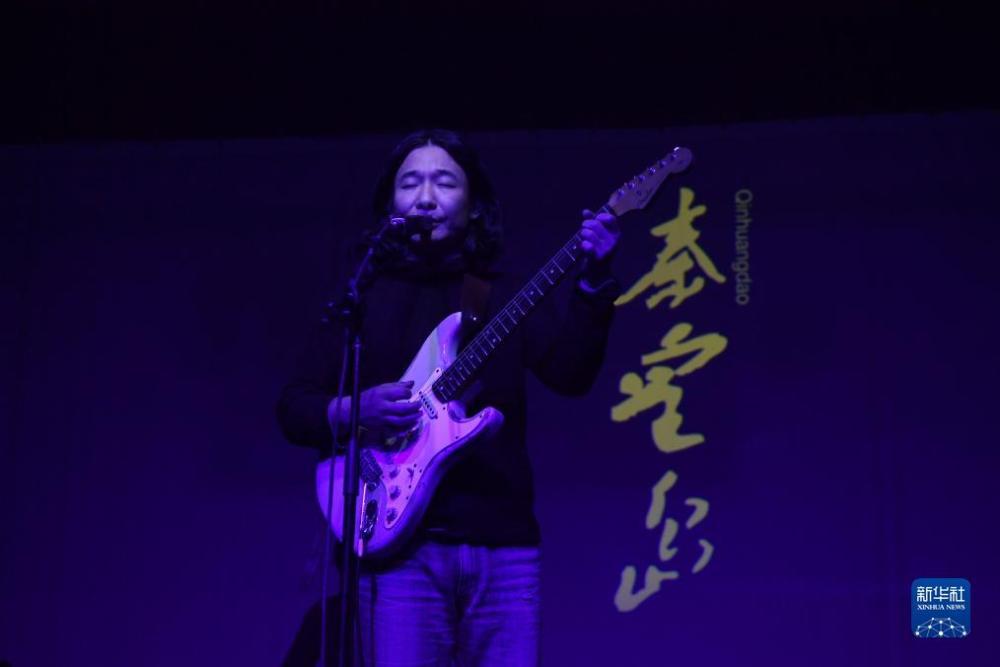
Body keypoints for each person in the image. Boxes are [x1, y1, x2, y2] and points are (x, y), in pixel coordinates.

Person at [277, 129, 621, 665]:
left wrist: (593, 286)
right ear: (390, 204)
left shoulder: (498, 293)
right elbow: (294, 407)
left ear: (475, 204)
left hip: (503, 547)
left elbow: (571, 375)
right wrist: (356, 410)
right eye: (410, 183)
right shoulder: (363, 298)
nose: (425, 197)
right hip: (398, 552)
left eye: (444, 182)